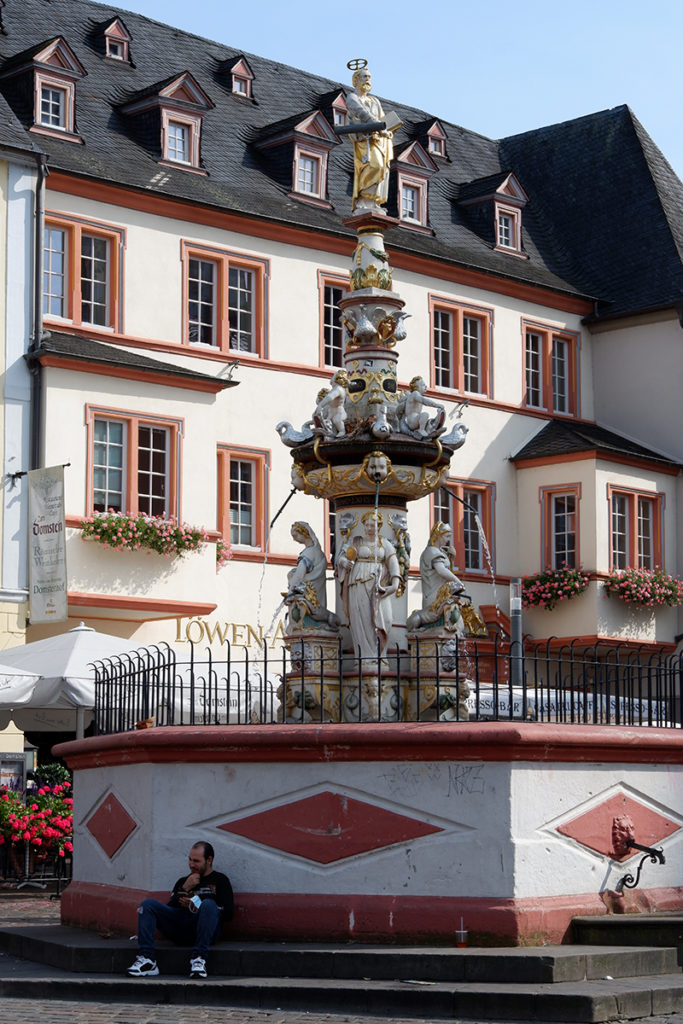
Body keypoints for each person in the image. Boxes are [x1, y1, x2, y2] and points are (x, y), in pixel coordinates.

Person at [127, 841, 233, 979]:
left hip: (205, 931)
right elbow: (169, 909)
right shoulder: (183, 881)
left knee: (208, 904)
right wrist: (184, 889)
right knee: (148, 905)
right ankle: (147, 959)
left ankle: (199, 959)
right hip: (180, 929)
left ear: (209, 860)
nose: (191, 864)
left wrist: (197, 905)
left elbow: (229, 913)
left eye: (196, 861)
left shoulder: (221, 880)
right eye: (189, 859)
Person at [336, 508, 401, 660]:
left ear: (379, 527)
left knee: (386, 618)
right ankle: (364, 657)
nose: (369, 528)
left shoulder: (385, 543)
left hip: (379, 585)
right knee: (361, 619)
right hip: (357, 584)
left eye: (373, 525)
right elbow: (340, 557)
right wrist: (344, 562)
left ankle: (380, 655)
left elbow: (393, 563)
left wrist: (395, 584)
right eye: (367, 525)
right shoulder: (356, 541)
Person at [346, 65, 394, 212]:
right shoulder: (352, 97)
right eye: (365, 77)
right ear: (356, 80)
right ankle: (363, 198)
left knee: (381, 168)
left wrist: (389, 128)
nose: (368, 80)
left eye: (369, 77)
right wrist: (381, 127)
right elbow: (363, 114)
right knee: (373, 165)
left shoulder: (375, 101)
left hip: (377, 140)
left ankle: (372, 201)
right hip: (364, 141)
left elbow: (382, 118)